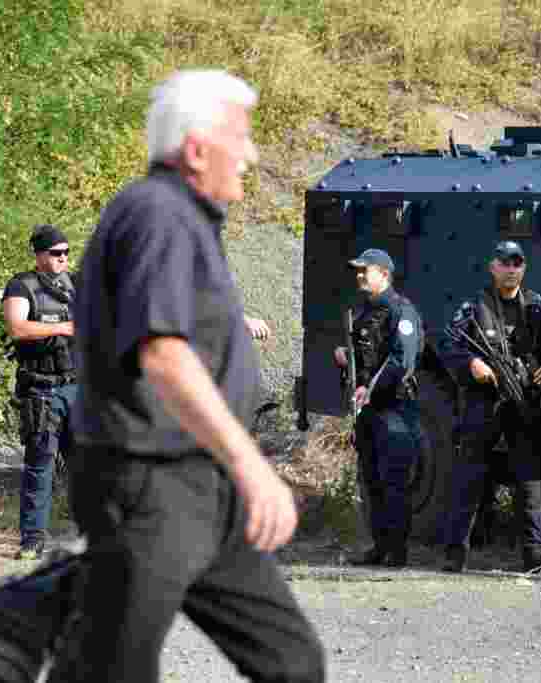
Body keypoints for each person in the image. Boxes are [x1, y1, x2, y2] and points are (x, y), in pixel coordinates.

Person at [54, 70, 324, 682]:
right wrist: (254, 466)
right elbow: (165, 355)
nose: (251, 156)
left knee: (291, 660)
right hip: (151, 482)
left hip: (201, 486)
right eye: (243, 138)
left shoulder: (185, 220)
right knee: (113, 668)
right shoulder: (159, 214)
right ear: (198, 149)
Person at [438, 240, 541, 575]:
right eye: (504, 263)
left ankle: (536, 556)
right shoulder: (475, 306)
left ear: (523, 268)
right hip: (484, 400)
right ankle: (455, 552)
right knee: (469, 475)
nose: (511, 269)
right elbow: (447, 343)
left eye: (517, 263)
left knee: (530, 479)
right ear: (492, 267)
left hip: (523, 400)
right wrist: (471, 364)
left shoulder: (537, 307)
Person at [332, 248, 424, 567]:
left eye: (364, 270)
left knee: (394, 481)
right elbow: (362, 360)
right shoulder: (361, 312)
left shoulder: (402, 312)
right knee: (371, 480)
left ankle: (396, 552)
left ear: (383, 274)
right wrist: (346, 358)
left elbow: (402, 361)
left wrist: (370, 390)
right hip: (368, 411)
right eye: (357, 271)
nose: (359, 276)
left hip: (394, 408)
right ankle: (380, 546)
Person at [2, 224, 78, 561]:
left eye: (66, 252)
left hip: (77, 388)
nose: (62, 258)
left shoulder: (74, 285)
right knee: (40, 465)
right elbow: (17, 327)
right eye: (55, 253)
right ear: (39, 254)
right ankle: (32, 540)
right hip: (41, 390)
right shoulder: (21, 286)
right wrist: (61, 326)